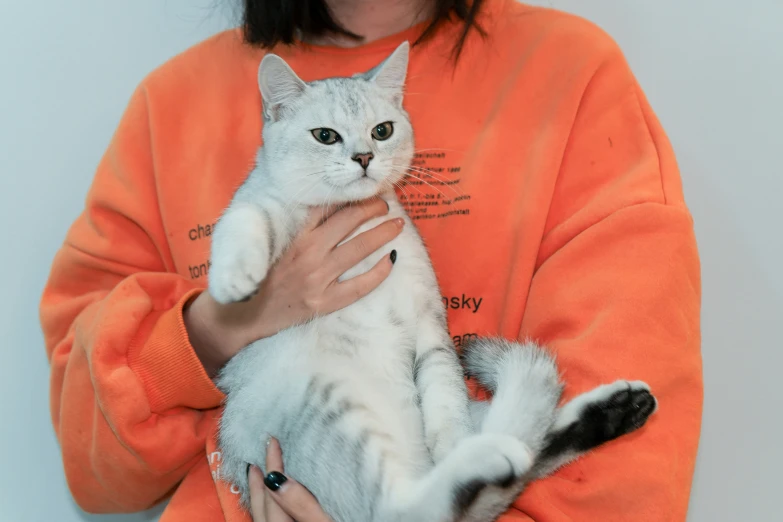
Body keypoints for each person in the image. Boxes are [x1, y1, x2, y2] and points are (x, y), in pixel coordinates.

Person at [38, 0, 703, 521]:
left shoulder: (571, 72)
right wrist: (226, 326)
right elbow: (94, 464)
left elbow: (630, 471)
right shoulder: (171, 103)